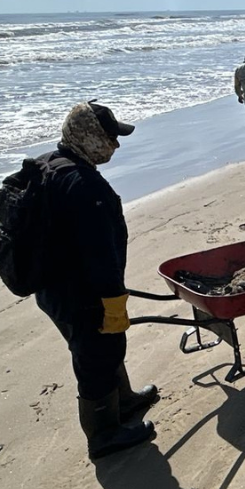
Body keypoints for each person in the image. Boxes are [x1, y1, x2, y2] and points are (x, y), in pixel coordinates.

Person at [34, 102, 158, 459]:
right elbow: (100, 253)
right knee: (96, 356)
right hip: (82, 291)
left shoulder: (49, 165)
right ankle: (103, 435)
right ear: (88, 136)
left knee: (104, 349)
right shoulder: (84, 185)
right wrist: (113, 301)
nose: (114, 145)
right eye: (109, 137)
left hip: (53, 286)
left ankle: (123, 400)